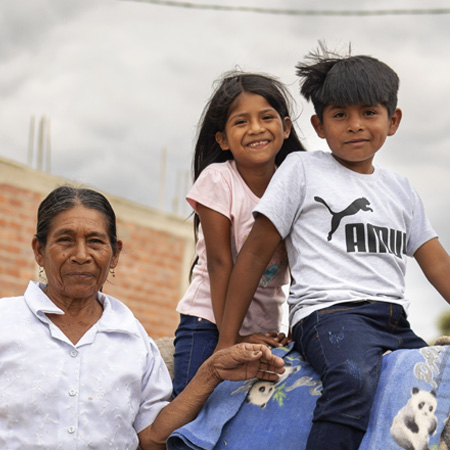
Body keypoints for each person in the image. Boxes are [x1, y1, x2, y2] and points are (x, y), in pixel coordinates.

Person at [215, 47, 450, 450]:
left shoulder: (401, 190)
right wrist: (227, 337)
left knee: (432, 384)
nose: (355, 125)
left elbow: (438, 264)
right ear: (319, 125)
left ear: (392, 121)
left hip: (392, 320)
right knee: (352, 381)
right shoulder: (303, 170)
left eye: (369, 113)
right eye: (340, 115)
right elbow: (254, 254)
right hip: (328, 315)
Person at [0, 185, 285, 450]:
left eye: (96, 242)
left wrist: (211, 373)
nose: (81, 255)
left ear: (115, 254)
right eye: (65, 241)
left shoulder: (133, 341)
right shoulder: (6, 322)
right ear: (39, 250)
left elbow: (151, 438)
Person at [172, 71, 306, 396]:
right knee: (191, 408)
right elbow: (219, 263)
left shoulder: (298, 185)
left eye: (266, 117)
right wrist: (229, 340)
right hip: (207, 322)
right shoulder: (219, 180)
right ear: (222, 139)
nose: (256, 129)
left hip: (267, 326)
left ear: (286, 128)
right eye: (241, 122)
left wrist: (290, 330)